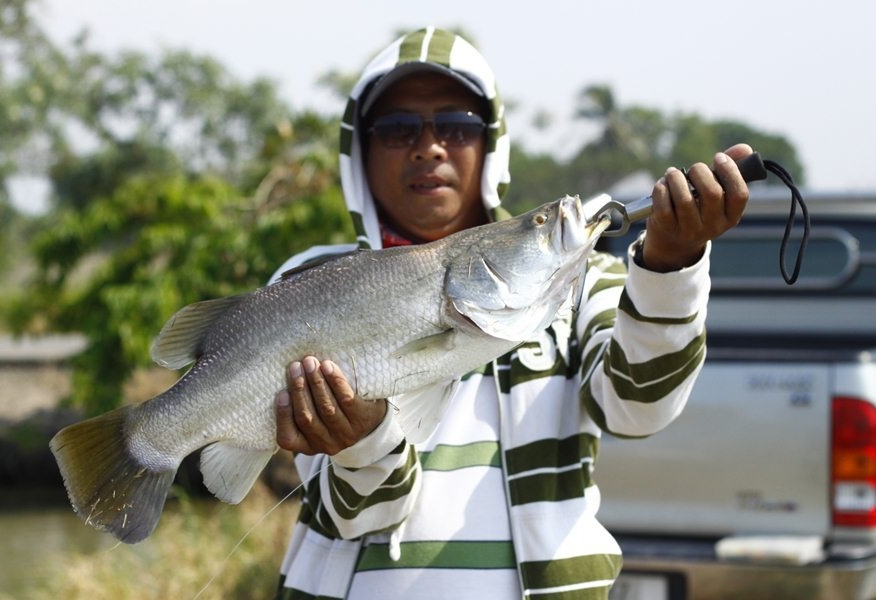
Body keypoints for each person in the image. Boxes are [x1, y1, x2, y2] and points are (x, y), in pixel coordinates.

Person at [270, 26, 751, 599]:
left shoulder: (585, 275)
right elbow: (357, 515)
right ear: (361, 152)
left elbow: (637, 410)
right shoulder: (309, 285)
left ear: (490, 142)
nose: (429, 147)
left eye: (456, 125)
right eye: (398, 129)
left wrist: (671, 268)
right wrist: (362, 440)